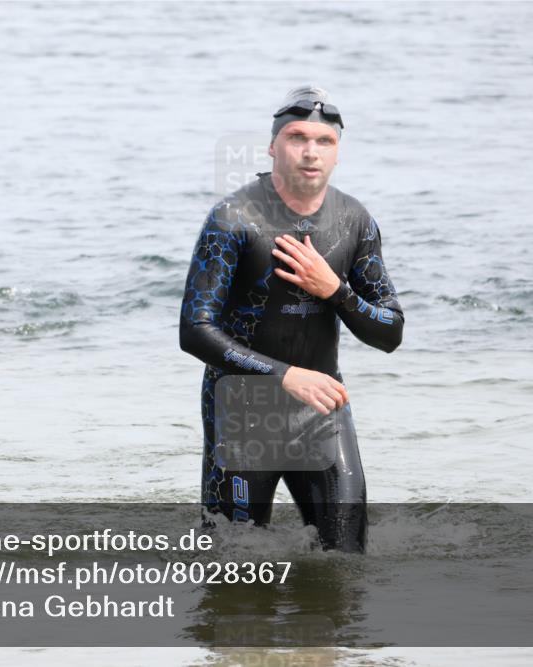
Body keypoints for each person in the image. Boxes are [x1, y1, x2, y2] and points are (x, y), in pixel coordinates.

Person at [179, 85, 403, 553]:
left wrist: (336, 291)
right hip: (241, 416)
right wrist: (286, 376)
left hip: (320, 413)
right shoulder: (233, 219)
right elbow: (194, 331)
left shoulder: (354, 221)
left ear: (338, 154)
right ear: (273, 146)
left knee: (346, 560)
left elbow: (390, 332)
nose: (310, 151)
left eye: (325, 142)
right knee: (233, 568)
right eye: (298, 138)